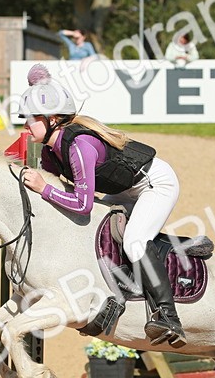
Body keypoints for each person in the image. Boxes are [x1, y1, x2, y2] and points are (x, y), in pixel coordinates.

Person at [18, 64, 186, 347]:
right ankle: (114, 297)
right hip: (124, 191)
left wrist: (43, 188)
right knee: (96, 231)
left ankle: (169, 317)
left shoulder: (79, 144)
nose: (24, 125)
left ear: (53, 119)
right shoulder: (50, 151)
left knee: (134, 240)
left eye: (30, 118)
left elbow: (82, 204)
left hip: (154, 184)